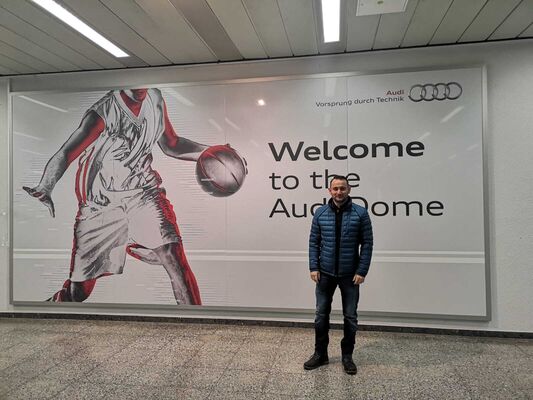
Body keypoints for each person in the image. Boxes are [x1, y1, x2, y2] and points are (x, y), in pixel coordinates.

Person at [23, 88, 210, 305]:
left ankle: (194, 319)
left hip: (143, 193)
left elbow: (172, 144)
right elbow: (67, 152)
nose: (140, 88)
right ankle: (56, 303)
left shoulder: (155, 98)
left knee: (174, 256)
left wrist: (210, 152)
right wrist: (46, 186)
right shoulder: (101, 113)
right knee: (79, 293)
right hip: (101, 204)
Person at [304, 175, 373, 375]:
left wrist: (361, 271)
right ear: (329, 190)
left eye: (342, 188)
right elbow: (313, 242)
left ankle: (347, 357)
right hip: (324, 274)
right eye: (335, 188)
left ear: (349, 189)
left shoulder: (360, 213)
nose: (339, 192)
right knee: (320, 315)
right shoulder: (320, 213)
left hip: (350, 276)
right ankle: (320, 354)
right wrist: (313, 267)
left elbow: (367, 244)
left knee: (350, 317)